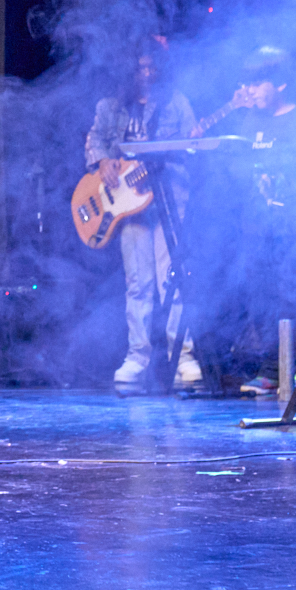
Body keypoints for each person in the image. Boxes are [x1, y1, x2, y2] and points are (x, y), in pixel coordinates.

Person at [213, 46, 296, 396]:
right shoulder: (249, 122)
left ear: (280, 83)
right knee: (260, 296)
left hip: (295, 226)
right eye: (247, 83)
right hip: (257, 227)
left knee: (293, 294)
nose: (250, 90)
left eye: (257, 82)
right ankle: (271, 369)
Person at [83, 43, 199, 393]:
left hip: (169, 199)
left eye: (152, 68)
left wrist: (191, 144)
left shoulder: (176, 103)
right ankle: (137, 357)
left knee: (172, 277)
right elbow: (94, 141)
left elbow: (193, 147)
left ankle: (183, 356)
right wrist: (103, 162)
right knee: (138, 282)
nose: (146, 74)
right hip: (127, 205)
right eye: (140, 68)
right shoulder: (110, 106)